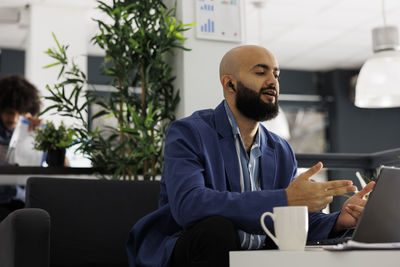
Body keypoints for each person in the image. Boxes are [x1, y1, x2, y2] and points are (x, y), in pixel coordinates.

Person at [126, 45, 375, 267]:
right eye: (261, 72)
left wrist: (337, 221)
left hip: (257, 256)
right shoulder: (189, 132)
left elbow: (289, 223)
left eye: (276, 74)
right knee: (217, 229)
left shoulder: (280, 149)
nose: (273, 81)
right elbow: (189, 206)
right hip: (191, 249)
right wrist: (285, 198)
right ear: (229, 83)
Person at [0, 74, 42, 221]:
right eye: (10, 112)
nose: (14, 118)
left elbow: (63, 165)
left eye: (20, 113)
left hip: (25, 204)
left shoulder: (33, 133)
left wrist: (44, 137)